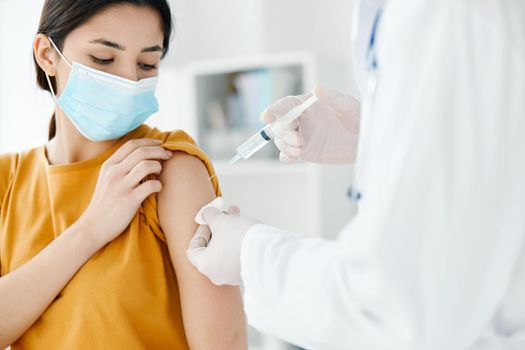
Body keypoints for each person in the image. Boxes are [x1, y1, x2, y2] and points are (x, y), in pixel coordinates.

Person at [188, 0, 525, 349]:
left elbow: (395, 305)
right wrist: (372, 136)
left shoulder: (447, 15)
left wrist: (250, 252)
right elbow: (479, 147)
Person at [0, 1, 247, 349]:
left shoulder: (169, 165)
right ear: (47, 55)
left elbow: (224, 344)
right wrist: (91, 229)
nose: (129, 80)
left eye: (147, 63)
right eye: (103, 59)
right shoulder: (7, 179)